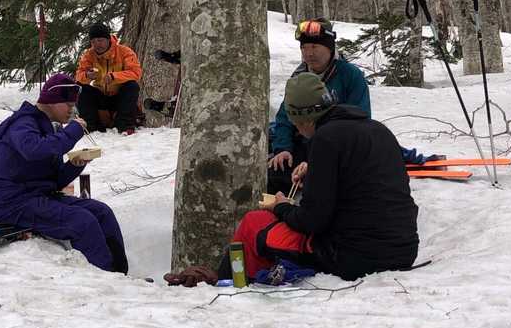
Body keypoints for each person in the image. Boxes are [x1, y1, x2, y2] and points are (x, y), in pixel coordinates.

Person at [170, 71, 417, 286]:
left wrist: (282, 207)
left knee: (254, 223)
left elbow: (312, 221)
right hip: (403, 249)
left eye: (295, 123)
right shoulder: (377, 129)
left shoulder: (325, 138)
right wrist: (316, 170)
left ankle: (226, 282)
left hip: (355, 256)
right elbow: (362, 182)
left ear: (302, 118)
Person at [0, 73, 128, 273]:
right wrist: (72, 131)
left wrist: (75, 165)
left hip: (40, 197)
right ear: (51, 101)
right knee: (82, 221)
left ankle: (120, 274)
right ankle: (105, 275)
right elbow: (33, 150)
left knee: (102, 212)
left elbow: (52, 180)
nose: (72, 109)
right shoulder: (23, 123)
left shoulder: (47, 127)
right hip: (14, 203)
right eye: (68, 104)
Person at [266, 19, 370, 194]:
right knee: (275, 175)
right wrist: (283, 149)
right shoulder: (299, 76)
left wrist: (321, 158)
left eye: (314, 47)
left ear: (329, 48)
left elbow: (360, 121)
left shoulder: (350, 75)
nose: (308, 53)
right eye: (304, 48)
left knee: (325, 181)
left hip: (337, 149)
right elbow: (285, 117)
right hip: (303, 144)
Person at [74, 23, 144, 134]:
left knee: (132, 86)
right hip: (100, 96)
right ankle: (91, 126)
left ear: (108, 39)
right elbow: (78, 75)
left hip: (120, 97)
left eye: (100, 40)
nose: (97, 44)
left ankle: (125, 126)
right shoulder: (88, 55)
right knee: (81, 89)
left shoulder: (124, 52)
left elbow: (136, 73)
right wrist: (87, 75)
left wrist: (114, 77)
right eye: (93, 41)